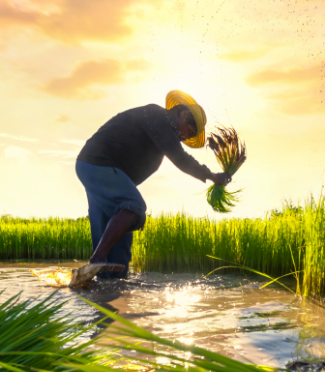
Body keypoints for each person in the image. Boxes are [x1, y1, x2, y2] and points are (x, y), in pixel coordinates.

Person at [73, 90, 231, 282]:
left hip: (98, 170)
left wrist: (129, 218)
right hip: (98, 164)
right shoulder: (158, 117)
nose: (189, 136)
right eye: (192, 130)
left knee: (119, 250)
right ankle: (98, 258)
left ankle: (102, 290)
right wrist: (213, 176)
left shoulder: (159, 136)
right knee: (133, 205)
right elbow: (180, 158)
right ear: (182, 116)